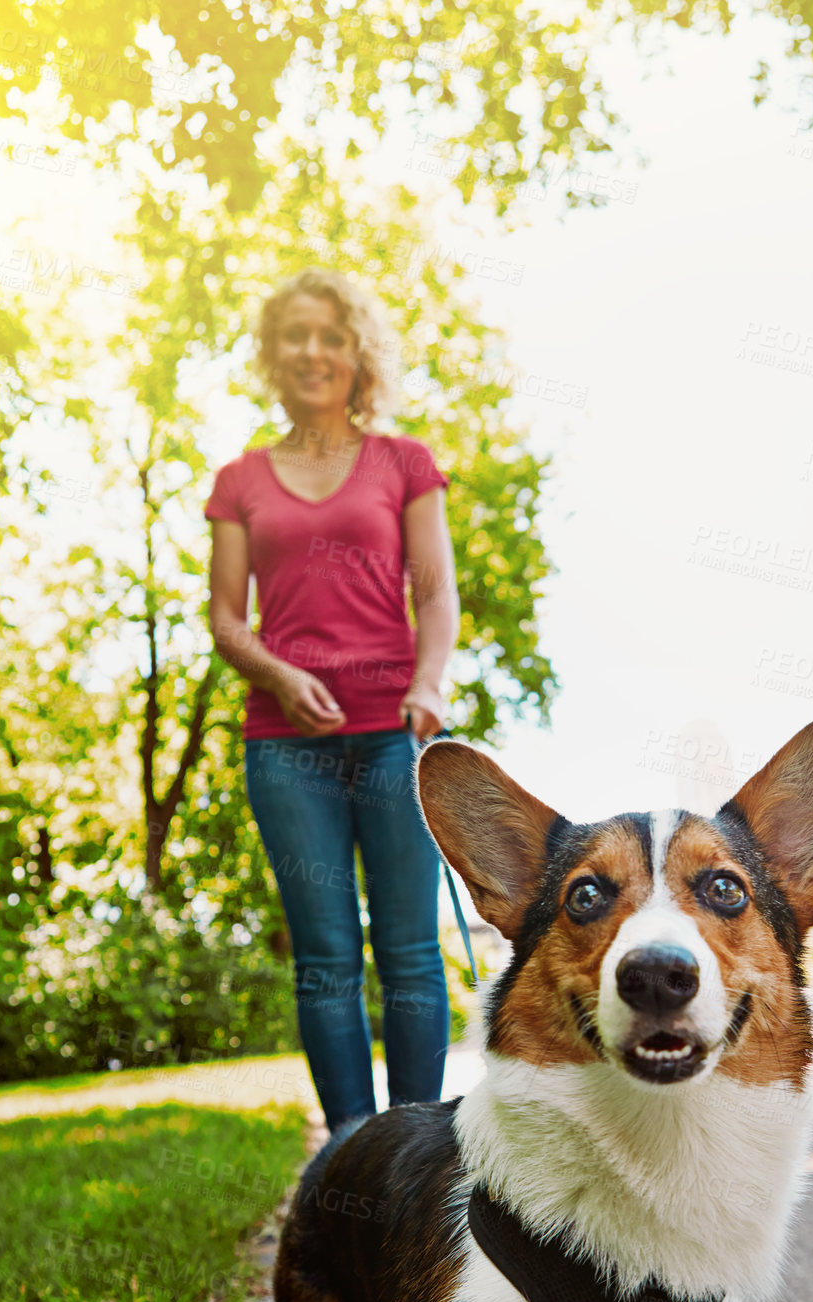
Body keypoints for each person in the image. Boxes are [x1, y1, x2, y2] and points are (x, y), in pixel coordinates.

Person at [205, 268, 459, 1132]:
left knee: (411, 955)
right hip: (286, 747)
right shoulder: (240, 479)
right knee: (324, 961)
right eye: (295, 336)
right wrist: (277, 673)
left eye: (330, 336)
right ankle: (353, 1150)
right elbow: (225, 620)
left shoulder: (403, 462)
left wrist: (429, 685)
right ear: (274, 354)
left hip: (392, 736)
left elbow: (436, 592)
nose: (312, 352)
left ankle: (416, 1151)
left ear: (356, 353)